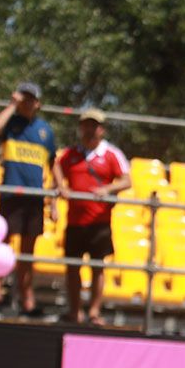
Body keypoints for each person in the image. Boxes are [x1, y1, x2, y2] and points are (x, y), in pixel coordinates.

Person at [52, 108, 131, 325]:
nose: (89, 130)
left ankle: (94, 312)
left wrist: (107, 189)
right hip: (75, 222)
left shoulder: (111, 154)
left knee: (98, 267)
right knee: (72, 269)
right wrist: (60, 188)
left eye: (94, 126)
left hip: (100, 222)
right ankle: (74, 311)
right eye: (86, 125)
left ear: (101, 129)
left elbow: (127, 180)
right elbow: (56, 166)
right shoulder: (71, 154)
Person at [0, 82, 57, 314]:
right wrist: (12, 105)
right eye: (24, 97)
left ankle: (27, 299)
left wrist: (56, 195)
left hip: (35, 198)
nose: (27, 102)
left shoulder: (45, 131)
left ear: (38, 103)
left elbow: (54, 163)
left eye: (32, 98)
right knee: (2, 246)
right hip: (11, 194)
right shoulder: (10, 123)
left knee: (27, 252)